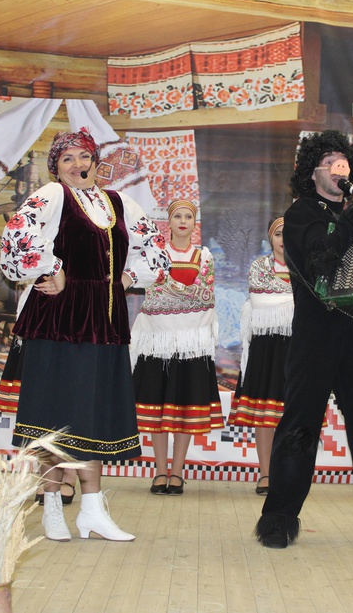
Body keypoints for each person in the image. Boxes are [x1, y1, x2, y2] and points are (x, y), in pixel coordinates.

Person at [0, 128, 169, 542]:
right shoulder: (53, 195)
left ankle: (92, 510)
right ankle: (52, 507)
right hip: (59, 319)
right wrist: (52, 269)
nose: (77, 164)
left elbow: (157, 250)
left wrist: (128, 277)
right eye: (67, 158)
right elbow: (17, 236)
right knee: (55, 413)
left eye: (84, 156)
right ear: (56, 167)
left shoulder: (119, 203)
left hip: (104, 319)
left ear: (95, 162)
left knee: (93, 413)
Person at [254, 130, 353, 551]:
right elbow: (322, 261)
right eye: (329, 162)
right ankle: (278, 520)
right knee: (300, 427)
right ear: (313, 172)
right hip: (314, 335)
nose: (338, 169)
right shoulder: (300, 213)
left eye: (344, 163)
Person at [131, 200, 223, 496]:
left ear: (195, 223)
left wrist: (170, 287)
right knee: (157, 407)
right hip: (157, 340)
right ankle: (160, 471)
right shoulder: (155, 253)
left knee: (184, 407)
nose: (183, 221)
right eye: (178, 216)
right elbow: (152, 291)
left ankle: (178, 472)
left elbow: (206, 295)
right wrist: (184, 292)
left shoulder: (203, 255)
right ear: (168, 222)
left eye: (188, 216)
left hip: (191, 343)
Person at [228, 218, 293, 495]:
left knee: (292, 414)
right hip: (266, 347)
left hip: (297, 348)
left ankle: (288, 474)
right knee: (265, 415)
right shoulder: (259, 267)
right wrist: (294, 303)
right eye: (278, 234)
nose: (283, 239)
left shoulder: (306, 268)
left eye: (288, 233)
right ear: (270, 238)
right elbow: (260, 300)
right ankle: (266, 473)